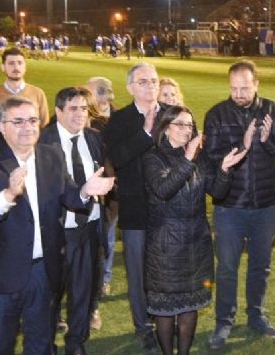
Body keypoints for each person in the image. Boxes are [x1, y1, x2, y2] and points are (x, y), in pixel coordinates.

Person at [0, 96, 113, 355]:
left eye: (33, 120)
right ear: (2, 127)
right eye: (18, 121)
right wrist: (9, 195)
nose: (28, 127)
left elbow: (68, 194)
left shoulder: (51, 154)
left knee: (41, 345)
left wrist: (85, 191)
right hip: (1, 273)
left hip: (43, 271)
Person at [143, 105, 248, 355]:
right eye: (180, 124)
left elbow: (218, 193)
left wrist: (224, 170)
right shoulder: (153, 157)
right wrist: (187, 159)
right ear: (166, 127)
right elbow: (163, 190)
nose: (186, 129)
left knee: (191, 306)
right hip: (166, 244)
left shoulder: (199, 157)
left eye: (189, 125)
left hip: (196, 242)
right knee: (166, 308)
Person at [203, 60, 275, 349]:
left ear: (256, 85)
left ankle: (257, 316)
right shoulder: (216, 114)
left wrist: (266, 139)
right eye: (234, 88)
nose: (239, 93)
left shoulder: (273, 110)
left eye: (244, 87)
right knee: (227, 268)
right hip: (230, 206)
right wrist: (245, 142)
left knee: (260, 267)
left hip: (264, 205)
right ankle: (224, 322)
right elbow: (213, 159)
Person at [39, 87, 106, 355]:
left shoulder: (93, 138)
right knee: (50, 294)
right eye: (73, 109)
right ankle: (46, 345)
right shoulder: (42, 141)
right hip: (55, 230)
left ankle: (76, 343)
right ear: (58, 112)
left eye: (83, 108)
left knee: (83, 293)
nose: (80, 114)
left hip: (89, 228)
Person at [102, 62, 163, 352]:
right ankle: (144, 326)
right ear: (130, 88)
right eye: (143, 81)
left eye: (153, 80)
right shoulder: (119, 120)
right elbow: (119, 157)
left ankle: (163, 318)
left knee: (163, 269)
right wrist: (146, 134)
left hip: (168, 211)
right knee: (138, 272)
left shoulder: (173, 114)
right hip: (136, 209)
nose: (150, 86)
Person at [86, 77, 117, 297]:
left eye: (90, 93)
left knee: (108, 236)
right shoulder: (83, 117)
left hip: (113, 190)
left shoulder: (121, 118)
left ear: (103, 95)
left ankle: (104, 278)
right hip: (86, 189)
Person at [0, 47, 51, 128]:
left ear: (25, 67)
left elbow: (45, 126)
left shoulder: (38, 93)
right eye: (11, 63)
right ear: (3, 67)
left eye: (20, 63)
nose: (16, 67)